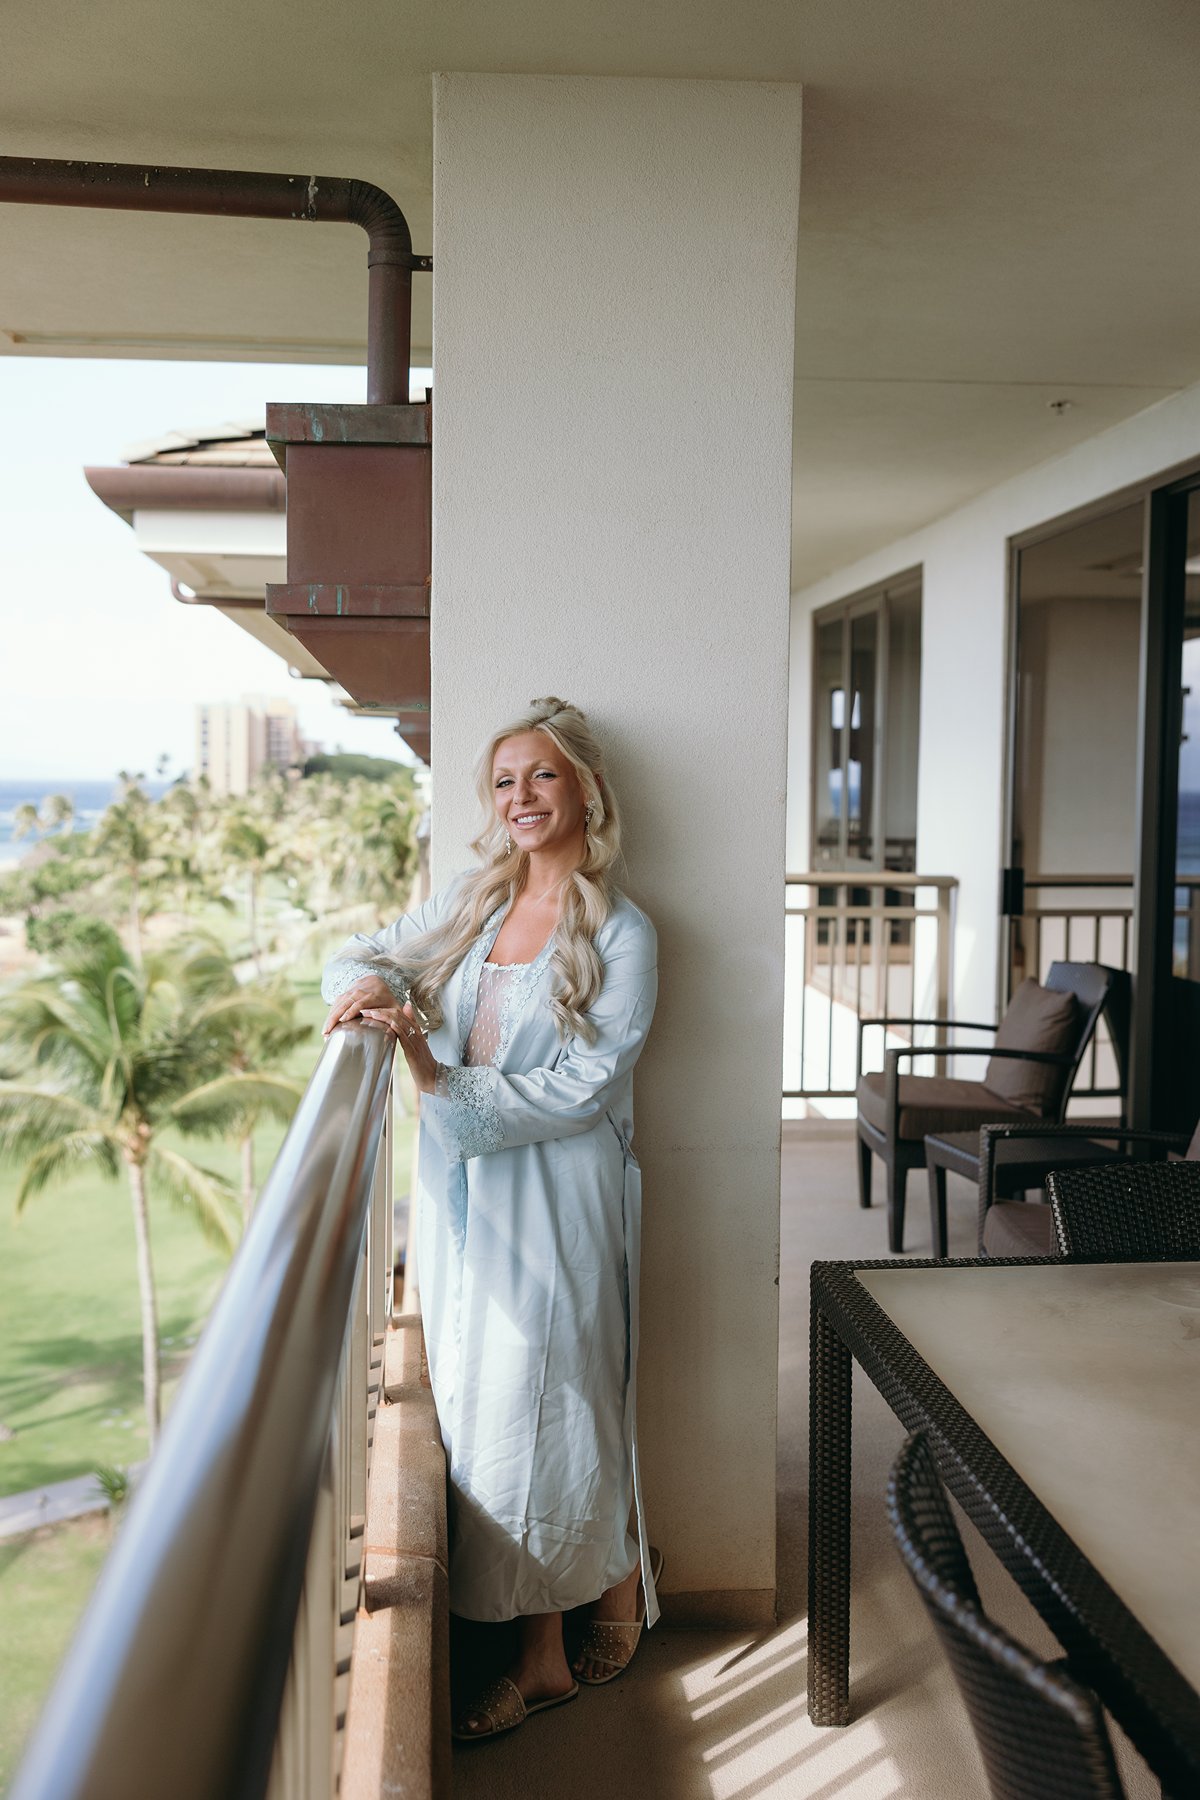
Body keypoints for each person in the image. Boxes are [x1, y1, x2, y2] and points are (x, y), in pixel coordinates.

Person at [321, 696, 660, 1740]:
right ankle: (610, 1585)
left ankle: (543, 1656)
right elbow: (365, 950)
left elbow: (587, 1087)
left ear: (586, 791)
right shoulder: (473, 901)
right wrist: (370, 1000)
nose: (520, 797)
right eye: (505, 781)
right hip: (466, 1197)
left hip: (559, 1192)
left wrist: (431, 1067)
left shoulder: (623, 930)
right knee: (486, 1398)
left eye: (542, 777)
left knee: (547, 1401)